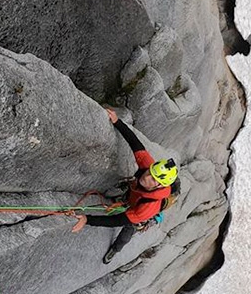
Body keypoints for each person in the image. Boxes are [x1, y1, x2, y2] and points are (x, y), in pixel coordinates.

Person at [71, 108, 178, 264]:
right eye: (150, 172)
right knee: (129, 193)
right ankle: (125, 198)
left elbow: (117, 220)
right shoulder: (149, 168)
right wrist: (117, 122)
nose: (146, 177)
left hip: (138, 207)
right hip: (134, 195)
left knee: (128, 229)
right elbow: (135, 144)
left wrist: (87, 219)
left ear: (159, 186)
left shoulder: (147, 208)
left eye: (154, 180)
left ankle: (115, 250)